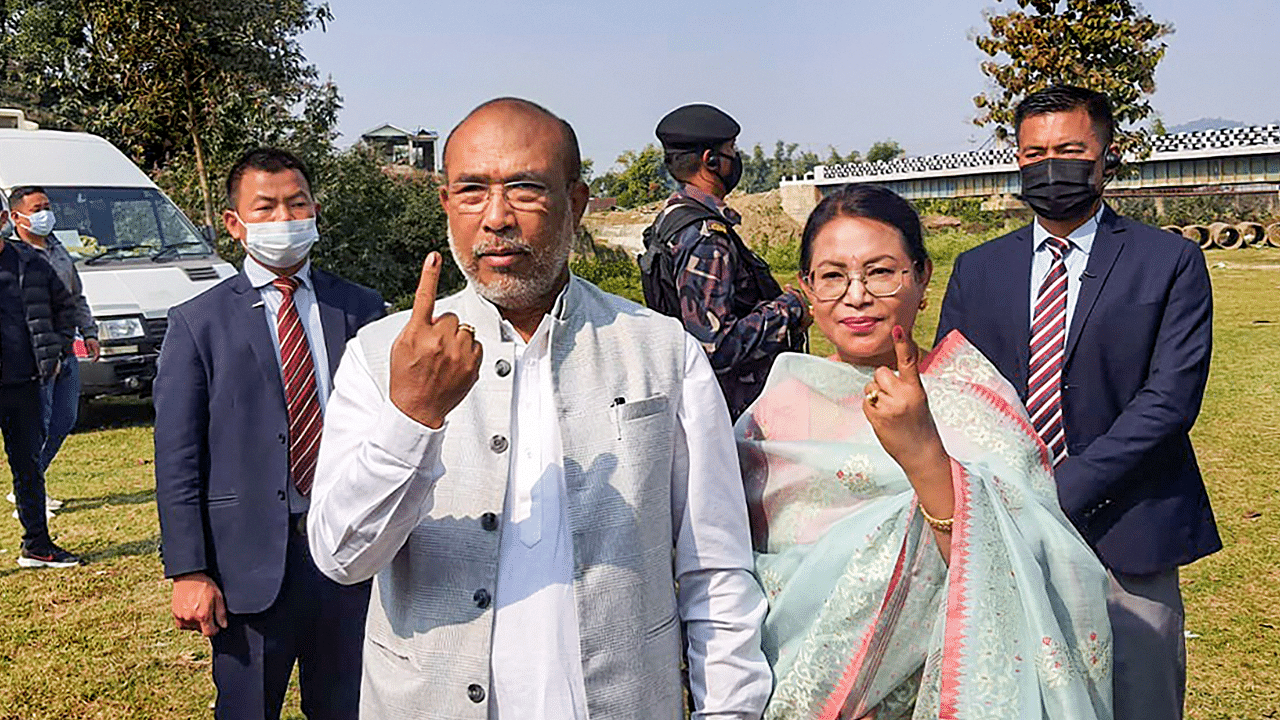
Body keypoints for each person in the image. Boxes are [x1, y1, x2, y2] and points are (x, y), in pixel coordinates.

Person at [308, 97, 771, 720]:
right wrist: (412, 418)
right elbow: (342, 557)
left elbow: (715, 570)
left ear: (576, 204)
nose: (496, 218)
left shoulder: (662, 353)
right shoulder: (381, 354)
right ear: (446, 204)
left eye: (525, 190)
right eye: (471, 191)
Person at [740, 183, 1112, 719]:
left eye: (881, 271)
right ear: (806, 289)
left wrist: (924, 456)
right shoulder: (774, 412)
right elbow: (745, 574)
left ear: (921, 277)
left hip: (940, 696)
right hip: (801, 692)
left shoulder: (971, 396)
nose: (857, 294)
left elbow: (1033, 563)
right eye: (832, 276)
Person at [935, 85, 1219, 720]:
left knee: (1138, 698)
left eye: (1069, 150)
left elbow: (1169, 400)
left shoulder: (1168, 261)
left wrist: (1061, 489)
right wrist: (1013, 495)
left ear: (1106, 155)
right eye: (1034, 153)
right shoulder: (979, 269)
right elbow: (958, 392)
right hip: (1008, 529)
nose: (1050, 167)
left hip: (1129, 530)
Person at [154, 147, 384, 720]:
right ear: (235, 223)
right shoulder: (198, 323)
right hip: (247, 566)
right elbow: (178, 458)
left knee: (349, 706)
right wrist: (189, 570)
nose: (285, 218)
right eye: (266, 207)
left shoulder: (359, 308)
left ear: (315, 210)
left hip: (349, 554)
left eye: (297, 203)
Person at [639, 103, 809, 419]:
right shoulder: (704, 235)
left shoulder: (672, 218)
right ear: (711, 160)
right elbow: (714, 344)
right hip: (730, 410)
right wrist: (789, 309)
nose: (736, 158)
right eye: (731, 150)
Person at [0, 192, 81, 567]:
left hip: (23, 382)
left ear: (3, 218)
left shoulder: (30, 262)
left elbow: (65, 306)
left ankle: (37, 545)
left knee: (28, 467)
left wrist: (58, 349)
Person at [7, 186, 99, 501]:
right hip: (35, 357)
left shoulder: (57, 250)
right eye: (37, 209)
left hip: (65, 347)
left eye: (47, 206)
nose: (46, 214)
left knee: (65, 418)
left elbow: (75, 296)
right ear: (17, 217)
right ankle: (29, 493)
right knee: (38, 425)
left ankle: (32, 482)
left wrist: (89, 332)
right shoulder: (13, 258)